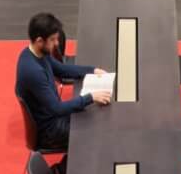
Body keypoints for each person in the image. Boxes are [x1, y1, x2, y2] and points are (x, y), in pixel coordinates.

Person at [15, 11, 111, 155]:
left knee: (94, 114)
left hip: (54, 116)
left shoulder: (38, 53)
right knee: (95, 130)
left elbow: (62, 69)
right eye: (53, 40)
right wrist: (90, 97)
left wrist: (92, 70)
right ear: (40, 40)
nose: (57, 44)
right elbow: (57, 108)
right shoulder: (33, 72)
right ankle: (64, 170)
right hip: (49, 130)